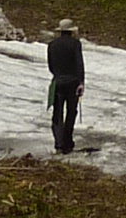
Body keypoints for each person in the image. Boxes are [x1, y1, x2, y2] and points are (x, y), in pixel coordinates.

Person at [47, 18, 85, 154]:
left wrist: (58, 74)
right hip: (73, 82)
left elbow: (51, 65)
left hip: (58, 81)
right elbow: (79, 64)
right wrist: (81, 82)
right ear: (71, 31)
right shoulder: (75, 44)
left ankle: (58, 143)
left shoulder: (52, 45)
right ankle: (67, 142)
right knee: (71, 112)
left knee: (57, 113)